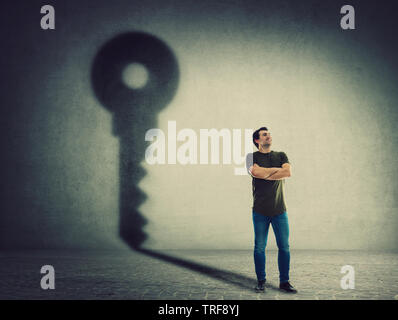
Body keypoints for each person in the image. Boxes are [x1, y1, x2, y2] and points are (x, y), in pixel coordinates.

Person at [246, 127, 297, 293]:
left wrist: (265, 172)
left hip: (279, 210)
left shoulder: (281, 155)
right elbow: (255, 172)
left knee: (284, 247)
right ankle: (261, 281)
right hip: (260, 211)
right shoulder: (250, 157)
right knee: (259, 247)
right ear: (257, 140)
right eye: (264, 135)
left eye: (269, 134)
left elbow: (287, 172)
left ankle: (284, 282)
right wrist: (276, 170)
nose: (269, 136)